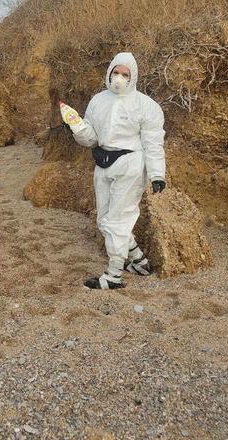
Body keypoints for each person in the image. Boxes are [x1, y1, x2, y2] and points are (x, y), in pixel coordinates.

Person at [61, 52, 166, 290]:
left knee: (119, 220)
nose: (119, 77)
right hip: (103, 164)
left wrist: (157, 174)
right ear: (109, 73)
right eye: (116, 72)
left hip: (130, 166)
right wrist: (77, 128)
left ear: (133, 77)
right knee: (104, 220)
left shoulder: (146, 106)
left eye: (125, 74)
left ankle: (114, 274)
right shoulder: (98, 101)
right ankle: (138, 259)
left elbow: (153, 142)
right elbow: (92, 136)